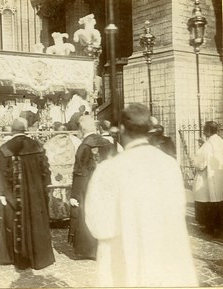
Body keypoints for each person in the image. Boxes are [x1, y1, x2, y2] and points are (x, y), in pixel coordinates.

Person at [85, 103, 198, 287]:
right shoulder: (169, 165)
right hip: (166, 259)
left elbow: (98, 225)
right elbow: (177, 211)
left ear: (121, 129)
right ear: (149, 129)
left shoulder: (109, 169)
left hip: (124, 260)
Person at [0, 117, 55, 270]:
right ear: (25, 129)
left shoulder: (4, 149)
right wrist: (42, 190)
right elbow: (45, 171)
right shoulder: (37, 146)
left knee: (15, 223)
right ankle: (39, 257)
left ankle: (17, 258)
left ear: (12, 130)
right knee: (36, 223)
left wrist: (3, 193)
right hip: (36, 194)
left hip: (14, 195)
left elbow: (1, 175)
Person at [68, 115, 115, 259]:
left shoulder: (84, 146)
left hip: (87, 186)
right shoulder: (108, 143)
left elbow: (79, 172)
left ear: (81, 129)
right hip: (106, 186)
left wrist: (74, 195)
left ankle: (88, 250)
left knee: (86, 215)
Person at [193, 121, 223, 237]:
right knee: (219, 201)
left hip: (209, 178)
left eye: (205, 128)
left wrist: (200, 149)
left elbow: (200, 164)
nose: (203, 130)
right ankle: (219, 228)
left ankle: (210, 228)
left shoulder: (207, 145)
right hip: (220, 176)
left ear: (209, 130)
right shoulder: (220, 141)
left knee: (209, 202)